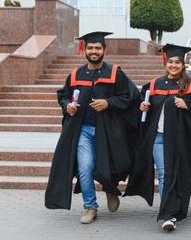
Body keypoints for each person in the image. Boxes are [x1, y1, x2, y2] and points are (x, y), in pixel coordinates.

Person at [45, 31, 140, 224]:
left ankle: (110, 189)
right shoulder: (75, 75)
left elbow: (130, 97)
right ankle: (90, 206)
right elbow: (63, 96)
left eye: (98, 48)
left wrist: (108, 103)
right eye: (90, 48)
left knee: (114, 165)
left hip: (108, 131)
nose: (94, 51)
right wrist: (67, 107)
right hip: (84, 131)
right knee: (85, 167)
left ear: (104, 49)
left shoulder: (115, 73)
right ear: (84, 50)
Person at [124, 44, 191, 231]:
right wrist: (142, 108)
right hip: (159, 138)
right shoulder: (154, 85)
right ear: (166, 63)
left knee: (182, 176)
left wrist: (188, 105)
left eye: (177, 62)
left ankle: (178, 210)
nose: (173, 65)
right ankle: (168, 215)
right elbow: (143, 107)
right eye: (170, 61)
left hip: (184, 139)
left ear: (183, 64)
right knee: (165, 175)